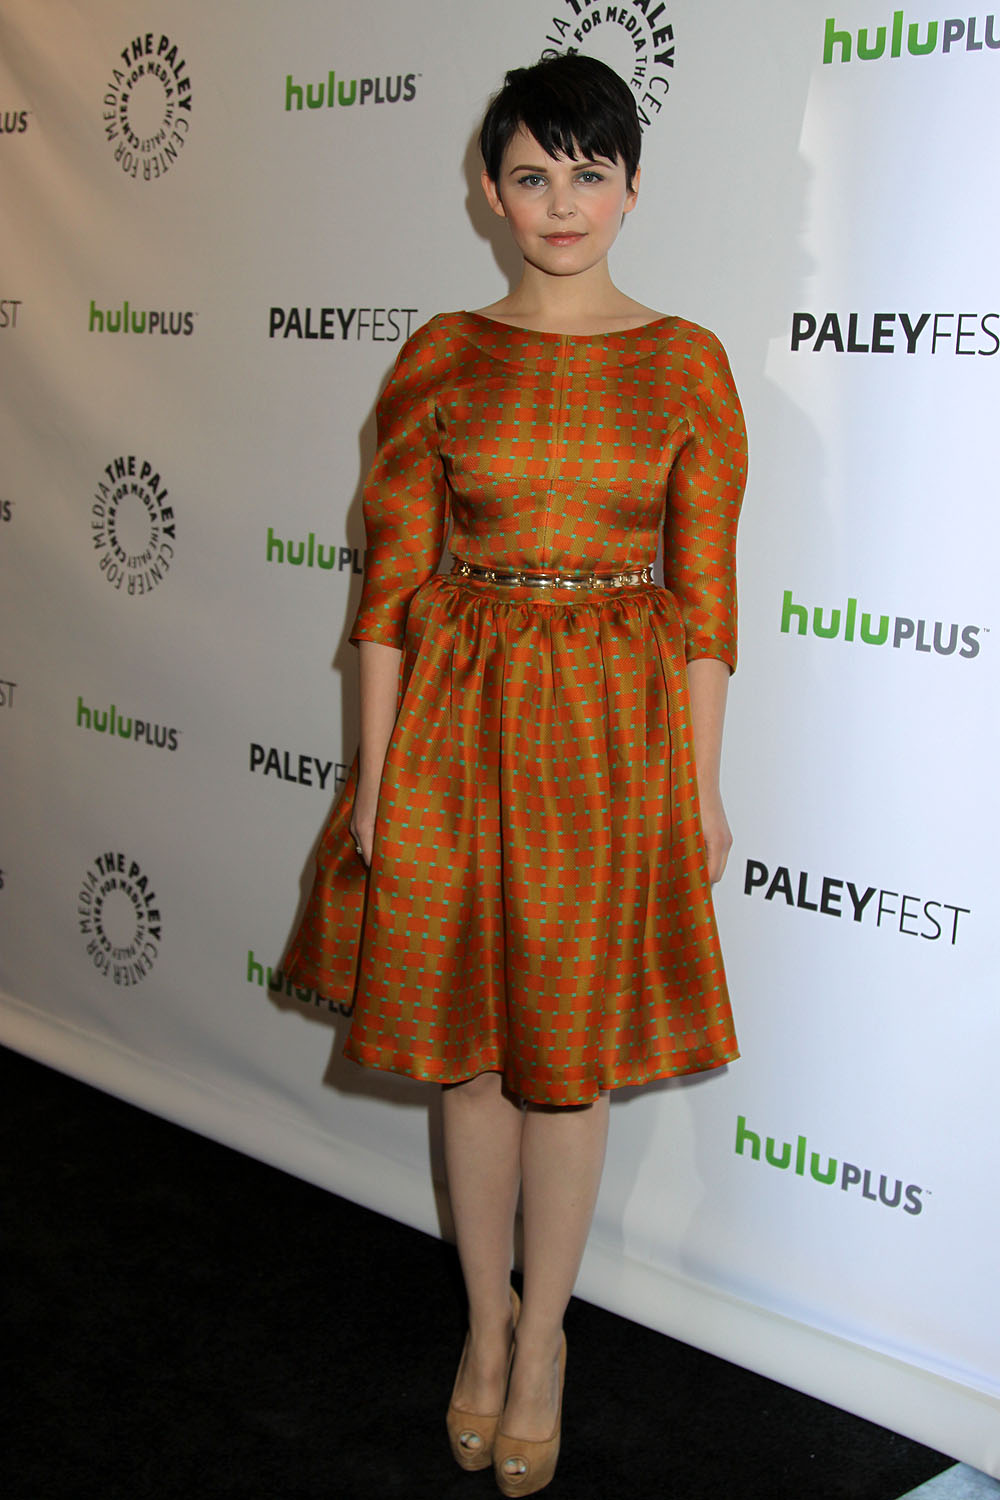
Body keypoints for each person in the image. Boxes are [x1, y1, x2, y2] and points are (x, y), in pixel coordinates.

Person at [284, 54, 747, 1496]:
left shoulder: (687, 362)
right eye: (532, 175)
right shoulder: (439, 355)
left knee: (566, 1065)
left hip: (609, 743)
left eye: (588, 174)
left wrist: (701, 788)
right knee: (471, 1056)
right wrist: (372, 780)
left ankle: (546, 1340)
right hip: (455, 730)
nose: (561, 203)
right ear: (490, 191)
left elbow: (707, 605)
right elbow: (385, 595)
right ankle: (482, 1329)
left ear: (632, 187)